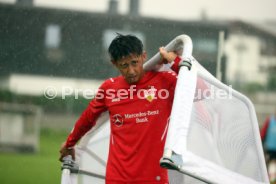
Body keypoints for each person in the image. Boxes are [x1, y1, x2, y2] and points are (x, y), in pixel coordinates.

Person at [59, 33, 183, 183]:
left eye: (134, 62)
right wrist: (70, 143)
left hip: (154, 179)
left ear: (144, 56)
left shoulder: (165, 81)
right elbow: (87, 118)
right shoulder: (109, 88)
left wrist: (174, 61)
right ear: (114, 64)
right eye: (124, 65)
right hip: (117, 179)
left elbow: (202, 91)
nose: (131, 71)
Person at [261, 113, 276, 183]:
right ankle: (266, 179)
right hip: (269, 148)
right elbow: (263, 132)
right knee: (267, 165)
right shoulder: (270, 120)